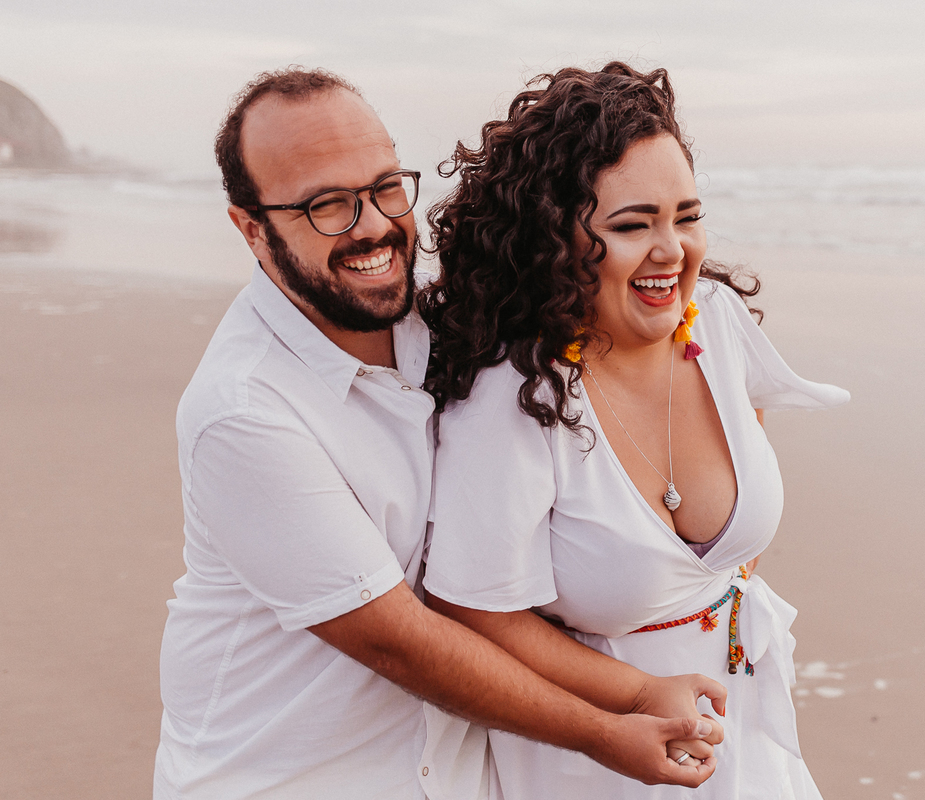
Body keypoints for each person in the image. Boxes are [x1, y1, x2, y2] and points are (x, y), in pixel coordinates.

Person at [154, 67, 726, 800]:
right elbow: (398, 641)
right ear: (252, 229)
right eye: (327, 205)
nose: (371, 225)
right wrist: (609, 727)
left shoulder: (451, 329)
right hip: (284, 781)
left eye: (385, 187)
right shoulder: (245, 411)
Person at [419, 62, 851, 798]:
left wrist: (712, 615)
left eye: (686, 216)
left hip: (740, 722)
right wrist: (641, 690)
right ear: (552, 237)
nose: (671, 251)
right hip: (599, 754)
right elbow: (474, 610)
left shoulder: (716, 322)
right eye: (631, 225)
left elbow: (746, 452)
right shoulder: (515, 393)